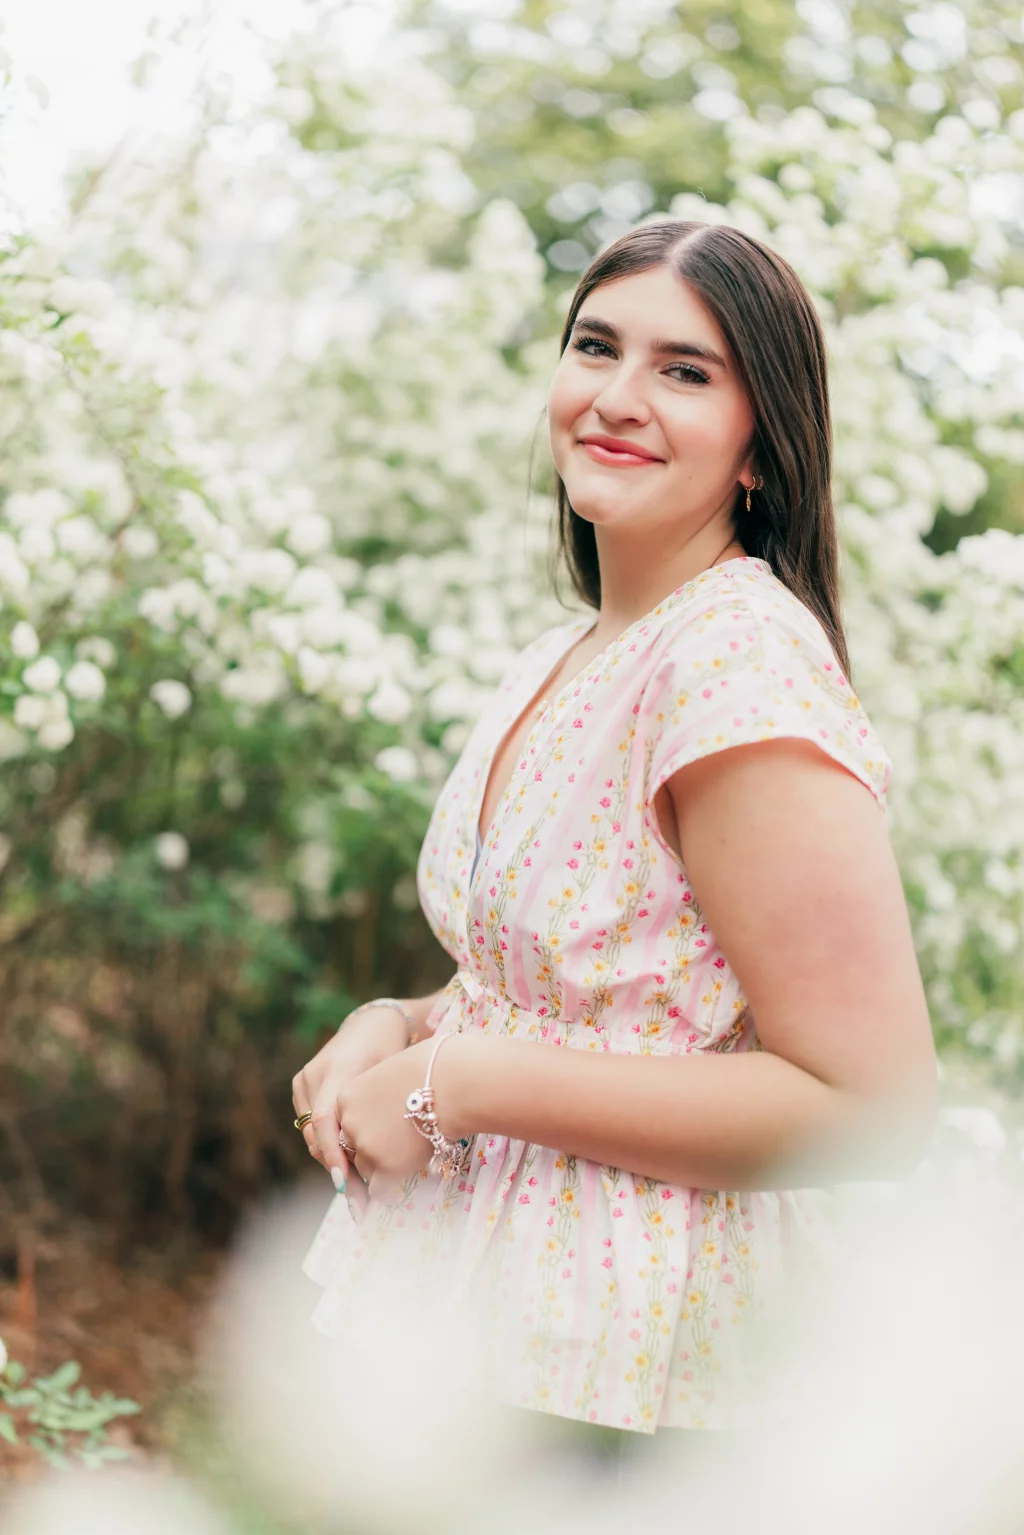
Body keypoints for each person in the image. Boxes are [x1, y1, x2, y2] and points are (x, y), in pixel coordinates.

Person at [293, 220, 938, 1451]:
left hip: (623, 1381)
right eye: (596, 346)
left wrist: (460, 1085)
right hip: (468, 1317)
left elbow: (872, 1104)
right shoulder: (580, 649)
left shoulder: (735, 663)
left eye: (685, 371)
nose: (618, 397)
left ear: (762, 448)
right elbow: (604, 985)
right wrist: (399, 1026)